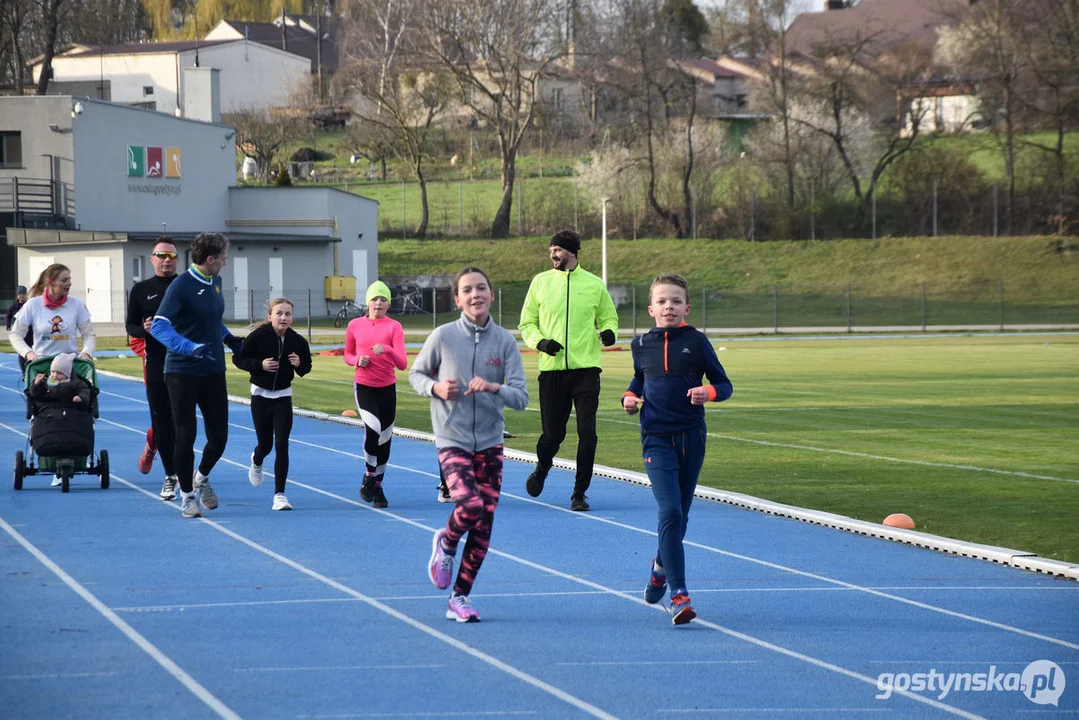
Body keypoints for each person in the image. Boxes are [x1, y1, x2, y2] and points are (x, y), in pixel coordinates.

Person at [410, 267, 528, 622]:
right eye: (467, 290)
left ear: (492, 295)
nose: (475, 294)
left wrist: (494, 388)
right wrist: (436, 388)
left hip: (490, 441)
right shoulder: (443, 336)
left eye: (482, 288)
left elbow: (521, 397)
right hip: (453, 439)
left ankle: (459, 598)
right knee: (470, 504)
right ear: (458, 299)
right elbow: (416, 374)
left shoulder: (505, 342)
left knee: (484, 526)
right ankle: (446, 541)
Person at [622, 274, 732, 625]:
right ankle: (679, 594)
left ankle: (659, 567)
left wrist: (708, 393)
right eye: (662, 301)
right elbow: (639, 379)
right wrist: (628, 397)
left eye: (675, 301)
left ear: (686, 307)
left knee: (680, 517)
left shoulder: (697, 342)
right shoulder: (640, 344)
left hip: (691, 437)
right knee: (669, 510)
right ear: (651, 308)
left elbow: (724, 384)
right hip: (656, 437)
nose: (668, 306)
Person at [518, 229, 619, 511]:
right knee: (553, 434)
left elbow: (608, 316)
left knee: (588, 432)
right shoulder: (540, 282)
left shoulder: (594, 284)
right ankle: (542, 468)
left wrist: (609, 332)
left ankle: (579, 493)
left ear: (572, 252)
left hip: (586, 369)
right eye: (551, 249)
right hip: (551, 370)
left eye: (558, 249)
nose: (553, 254)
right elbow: (527, 323)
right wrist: (541, 343)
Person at [151, 232, 244, 519]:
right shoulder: (181, 286)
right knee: (185, 435)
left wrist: (230, 339)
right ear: (210, 259)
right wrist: (190, 348)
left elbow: (213, 322)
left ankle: (200, 478)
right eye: (224, 259)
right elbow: (159, 327)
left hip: (213, 369)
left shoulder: (215, 281)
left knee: (219, 438)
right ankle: (188, 497)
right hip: (182, 372)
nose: (225, 264)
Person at [233, 297, 312, 511]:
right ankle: (257, 459)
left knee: (282, 444)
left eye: (287, 314)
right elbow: (239, 359)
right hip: (260, 396)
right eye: (279, 313)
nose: (283, 317)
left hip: (283, 398)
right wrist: (260, 365)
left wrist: (299, 365)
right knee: (266, 445)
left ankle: (280, 495)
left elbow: (307, 367)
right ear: (270, 317)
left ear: (292, 318)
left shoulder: (298, 341)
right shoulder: (258, 336)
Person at [344, 280, 407, 508]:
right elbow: (348, 355)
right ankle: (370, 475)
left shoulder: (394, 327)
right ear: (367, 302)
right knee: (373, 430)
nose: (378, 303)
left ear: (388, 304)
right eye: (374, 299)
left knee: (385, 440)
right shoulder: (354, 325)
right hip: (365, 385)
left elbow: (402, 364)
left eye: (383, 299)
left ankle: (377, 486)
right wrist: (357, 360)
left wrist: (388, 349)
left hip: (387, 388)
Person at [126, 238, 180, 498]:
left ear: (178, 259)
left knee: (183, 424)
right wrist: (144, 330)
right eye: (162, 255)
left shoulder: (187, 286)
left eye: (171, 255)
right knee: (161, 424)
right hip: (156, 364)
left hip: (186, 364)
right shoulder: (140, 290)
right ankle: (171, 475)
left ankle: (186, 472)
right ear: (153, 259)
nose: (167, 260)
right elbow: (131, 327)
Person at [10, 264, 96, 364]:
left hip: (69, 366)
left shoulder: (77, 304)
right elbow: (15, 334)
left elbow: (89, 334)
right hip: (41, 365)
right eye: (64, 280)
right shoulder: (33, 304)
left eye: (69, 279)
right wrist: (28, 353)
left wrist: (86, 353)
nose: (69, 283)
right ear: (50, 282)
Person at [5, 285, 31, 374]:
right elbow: (8, 316)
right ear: (17, 295)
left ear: (26, 294)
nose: (21, 296)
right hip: (20, 333)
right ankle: (24, 373)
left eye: (23, 294)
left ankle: (32, 370)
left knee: (33, 351)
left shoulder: (29, 305)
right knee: (22, 353)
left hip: (31, 332)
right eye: (19, 294)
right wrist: (8, 325)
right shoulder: (14, 306)